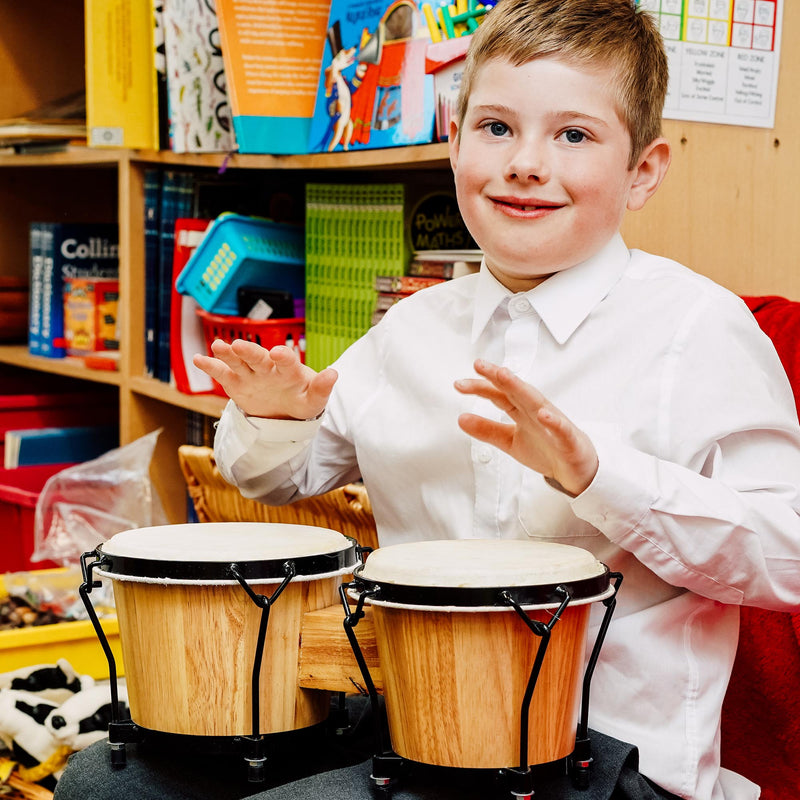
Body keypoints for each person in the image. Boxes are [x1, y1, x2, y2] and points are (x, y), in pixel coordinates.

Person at [54, 1, 800, 799]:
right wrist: (278, 416)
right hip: (406, 716)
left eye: (574, 136)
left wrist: (598, 476)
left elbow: (785, 561)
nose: (525, 163)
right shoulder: (410, 329)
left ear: (643, 171)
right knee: (104, 782)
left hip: (601, 752)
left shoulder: (698, 327)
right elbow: (280, 480)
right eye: (497, 128)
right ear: (454, 144)